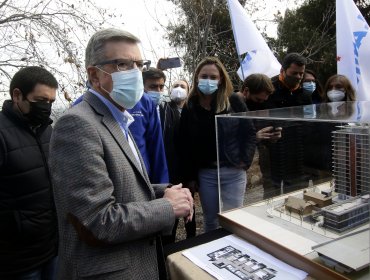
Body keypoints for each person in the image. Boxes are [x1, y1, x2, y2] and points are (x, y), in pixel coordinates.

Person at [48, 28, 193, 280]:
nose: (136, 73)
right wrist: (167, 207)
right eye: (122, 64)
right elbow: (96, 222)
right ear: (94, 75)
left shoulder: (118, 119)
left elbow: (125, 187)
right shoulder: (77, 125)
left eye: (138, 64)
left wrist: (167, 190)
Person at [179, 57, 256, 232]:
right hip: (207, 174)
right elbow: (185, 144)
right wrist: (190, 177)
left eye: (213, 77)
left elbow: (249, 132)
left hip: (234, 170)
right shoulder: (190, 106)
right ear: (197, 77)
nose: (209, 80)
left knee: (234, 220)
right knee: (211, 221)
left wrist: (245, 160)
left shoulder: (234, 101)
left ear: (221, 79)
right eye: (204, 76)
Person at [0, 66, 58, 279]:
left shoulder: (47, 130)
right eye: (41, 100)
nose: (46, 108)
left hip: (51, 248)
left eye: (51, 102)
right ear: (17, 95)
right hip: (17, 258)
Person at [160, 79, 196, 243]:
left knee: (190, 206)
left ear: (188, 91)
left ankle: (192, 240)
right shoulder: (164, 110)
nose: (179, 89)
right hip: (169, 169)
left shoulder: (192, 111)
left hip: (187, 169)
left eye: (183, 86)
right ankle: (169, 245)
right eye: (175, 86)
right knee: (171, 210)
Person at [127, 68, 169, 183]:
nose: (158, 91)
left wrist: (163, 185)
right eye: (153, 87)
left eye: (161, 87)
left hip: (149, 177)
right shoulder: (133, 104)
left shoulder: (169, 109)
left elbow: (157, 150)